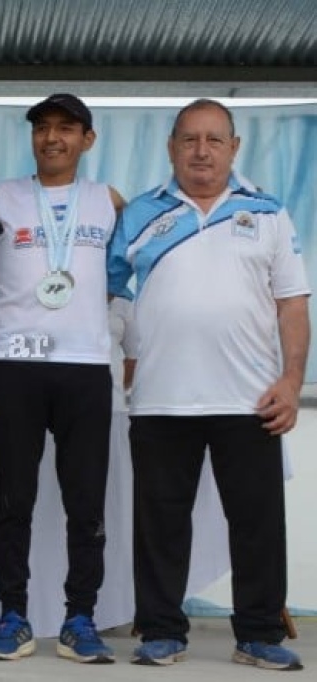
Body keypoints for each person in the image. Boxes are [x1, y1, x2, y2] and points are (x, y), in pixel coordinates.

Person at [108, 99, 309, 671]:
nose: (201, 150)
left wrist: (292, 380)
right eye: (190, 139)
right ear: (171, 146)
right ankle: (162, 631)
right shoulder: (141, 213)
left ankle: (259, 634)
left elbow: (292, 305)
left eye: (214, 140)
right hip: (160, 400)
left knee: (257, 524)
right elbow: (107, 297)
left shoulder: (268, 212)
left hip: (250, 399)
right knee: (159, 525)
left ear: (234, 148)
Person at [0, 94, 124, 664]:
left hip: (86, 368)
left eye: (66, 128)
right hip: (15, 365)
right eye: (42, 128)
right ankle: (12, 616)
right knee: (14, 501)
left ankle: (79, 618)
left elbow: (129, 273)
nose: (52, 138)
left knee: (85, 505)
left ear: (87, 139)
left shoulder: (109, 201)